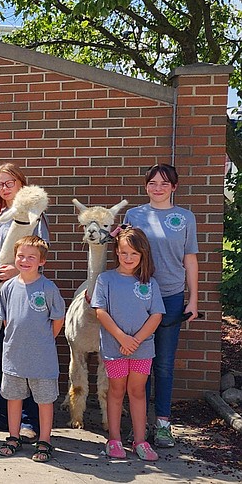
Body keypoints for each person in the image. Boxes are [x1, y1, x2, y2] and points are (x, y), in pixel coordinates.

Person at [123, 163, 199, 448]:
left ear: (174, 187)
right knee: (139, 364)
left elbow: (190, 259)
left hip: (170, 296)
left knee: (164, 364)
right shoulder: (134, 215)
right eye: (153, 183)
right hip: (138, 296)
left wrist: (192, 298)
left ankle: (163, 424)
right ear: (146, 186)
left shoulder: (185, 217)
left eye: (164, 183)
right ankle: (138, 426)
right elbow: (126, 253)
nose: (158, 188)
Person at [0, 163, 49, 440]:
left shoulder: (34, 215)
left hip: (24, 292)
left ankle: (29, 419)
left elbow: (40, 252)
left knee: (25, 355)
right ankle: (0, 412)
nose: (4, 188)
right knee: (1, 354)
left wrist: (17, 271)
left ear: (21, 183)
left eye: (9, 183)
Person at [92, 227, 165, 461]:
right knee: (116, 391)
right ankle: (114, 439)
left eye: (134, 253)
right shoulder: (106, 280)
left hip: (142, 349)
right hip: (115, 348)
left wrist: (136, 340)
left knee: (137, 392)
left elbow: (156, 315)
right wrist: (123, 338)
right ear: (116, 251)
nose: (129, 258)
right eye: (124, 253)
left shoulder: (149, 283)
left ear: (143, 254)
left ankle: (140, 441)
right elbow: (100, 311)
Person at [0, 236, 65, 463]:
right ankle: (13, 437)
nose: (25, 260)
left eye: (31, 257)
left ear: (42, 261)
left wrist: (43, 340)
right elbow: (6, 320)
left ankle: (44, 441)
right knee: (13, 398)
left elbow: (58, 319)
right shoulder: (8, 288)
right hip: (14, 357)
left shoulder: (48, 288)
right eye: (21, 256)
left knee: (44, 400)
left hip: (42, 360)